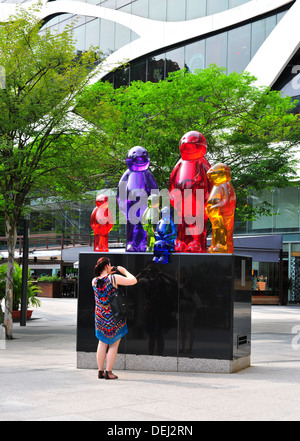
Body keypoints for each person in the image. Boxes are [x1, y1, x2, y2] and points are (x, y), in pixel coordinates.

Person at [92, 257, 137, 380]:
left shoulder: (94, 281)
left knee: (102, 343)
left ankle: (100, 371)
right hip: (113, 314)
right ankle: (109, 372)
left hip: (100, 314)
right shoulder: (113, 279)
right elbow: (133, 280)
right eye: (110, 265)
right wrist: (123, 270)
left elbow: (103, 279)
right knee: (113, 344)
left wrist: (108, 271)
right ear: (107, 266)